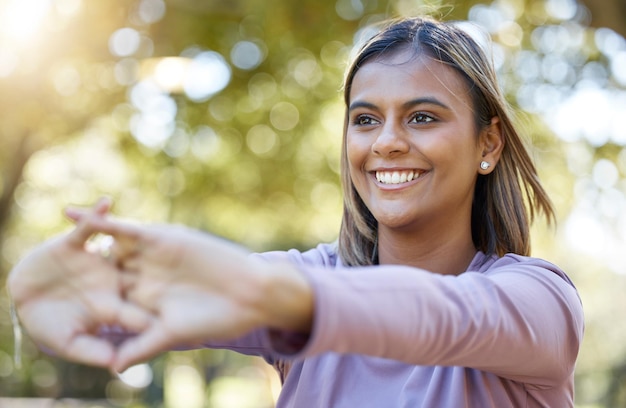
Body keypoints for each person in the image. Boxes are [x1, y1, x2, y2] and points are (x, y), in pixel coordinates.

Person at [8, 16, 584, 407]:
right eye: (364, 119)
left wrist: (271, 295)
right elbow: (115, 308)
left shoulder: (540, 301)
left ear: (488, 144)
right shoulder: (300, 281)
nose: (385, 142)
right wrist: (47, 287)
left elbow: (448, 317)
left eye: (422, 117)